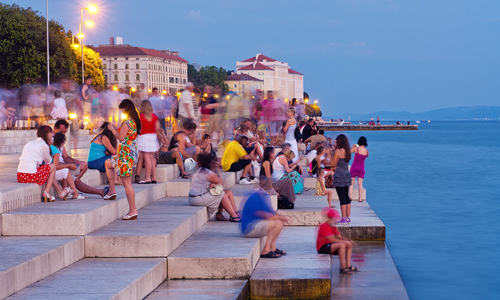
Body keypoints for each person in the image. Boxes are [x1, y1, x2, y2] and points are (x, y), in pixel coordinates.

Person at [104, 99, 141, 220]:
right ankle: (112, 190)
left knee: (127, 184)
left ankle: (133, 210)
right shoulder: (135, 121)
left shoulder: (128, 122)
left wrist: (112, 129)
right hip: (129, 153)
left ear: (126, 109)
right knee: (108, 163)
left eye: (122, 109)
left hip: (125, 154)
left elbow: (120, 137)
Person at [241, 177, 288, 258]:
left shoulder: (261, 194)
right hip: (249, 228)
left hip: (255, 224)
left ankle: (272, 247)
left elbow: (270, 213)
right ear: (267, 186)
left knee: (279, 222)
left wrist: (280, 218)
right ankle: (266, 250)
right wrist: (282, 217)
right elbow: (265, 215)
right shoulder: (260, 195)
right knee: (277, 223)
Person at [188, 153, 241, 222]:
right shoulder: (208, 172)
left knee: (228, 192)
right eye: (217, 162)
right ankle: (233, 215)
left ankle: (224, 213)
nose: (218, 163)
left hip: (195, 197)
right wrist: (217, 170)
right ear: (212, 163)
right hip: (197, 198)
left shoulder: (201, 169)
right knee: (222, 194)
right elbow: (221, 183)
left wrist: (214, 183)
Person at [17, 125, 58, 202]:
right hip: (31, 176)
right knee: (53, 166)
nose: (52, 135)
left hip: (20, 176)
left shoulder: (31, 143)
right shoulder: (44, 145)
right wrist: (50, 145)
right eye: (51, 133)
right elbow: (48, 162)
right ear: (46, 134)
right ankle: (46, 192)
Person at [317, 208, 359, 274]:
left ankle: (348, 266)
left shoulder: (333, 227)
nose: (335, 221)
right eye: (334, 219)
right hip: (322, 247)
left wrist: (349, 241)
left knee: (348, 244)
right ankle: (342, 268)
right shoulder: (324, 226)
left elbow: (340, 237)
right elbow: (332, 239)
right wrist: (345, 242)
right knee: (342, 245)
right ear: (329, 218)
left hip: (331, 245)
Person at [50, 132, 85, 200]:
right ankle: (75, 193)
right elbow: (56, 166)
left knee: (66, 171)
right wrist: (69, 165)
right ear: (62, 143)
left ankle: (65, 190)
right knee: (66, 170)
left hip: (50, 169)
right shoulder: (55, 151)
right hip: (51, 171)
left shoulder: (51, 147)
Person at [135, 100, 160, 184]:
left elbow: (139, 128)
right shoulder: (154, 116)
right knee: (151, 158)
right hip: (152, 137)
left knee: (146, 157)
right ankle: (154, 177)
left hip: (144, 137)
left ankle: (147, 177)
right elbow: (157, 128)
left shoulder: (141, 116)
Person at [331, 134, 352, 224]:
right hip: (347, 175)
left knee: (341, 198)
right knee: (346, 197)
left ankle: (343, 218)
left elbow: (333, 164)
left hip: (339, 176)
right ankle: (347, 217)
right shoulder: (347, 151)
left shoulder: (338, 151)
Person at [350, 136, 369, 202]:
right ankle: (360, 198)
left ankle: (350, 196)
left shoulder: (356, 149)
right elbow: (367, 156)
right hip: (361, 168)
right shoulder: (366, 151)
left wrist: (353, 146)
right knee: (360, 183)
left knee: (351, 182)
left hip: (354, 167)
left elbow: (349, 152)